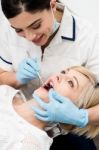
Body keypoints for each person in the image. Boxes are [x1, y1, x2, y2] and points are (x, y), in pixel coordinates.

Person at [1, 0, 99, 149]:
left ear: (52, 6)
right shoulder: (4, 95)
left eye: (35, 26)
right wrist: (16, 77)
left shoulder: (89, 38)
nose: (29, 37)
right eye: (18, 30)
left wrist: (81, 116)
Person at [0, 66, 98, 149]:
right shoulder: (7, 91)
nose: (60, 76)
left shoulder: (30, 144)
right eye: (63, 72)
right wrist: (15, 77)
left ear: (73, 108)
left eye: (71, 83)